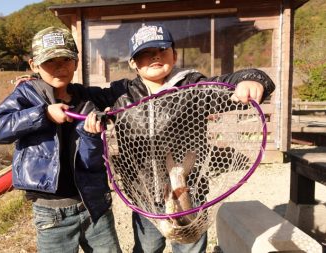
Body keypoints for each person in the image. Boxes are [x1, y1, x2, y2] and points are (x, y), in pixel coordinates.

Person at [74, 23, 276, 253]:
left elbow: (233, 81)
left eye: (162, 50)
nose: (155, 57)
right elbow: (75, 94)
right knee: (147, 248)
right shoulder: (120, 94)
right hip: (146, 200)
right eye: (145, 53)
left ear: (174, 54)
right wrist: (35, 83)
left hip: (189, 196)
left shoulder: (193, 87)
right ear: (133, 62)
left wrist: (252, 80)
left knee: (189, 248)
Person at [0, 27, 121, 253]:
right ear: (33, 65)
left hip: (94, 204)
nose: (60, 67)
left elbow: (122, 95)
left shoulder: (88, 96)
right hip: (50, 212)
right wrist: (43, 114)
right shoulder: (26, 95)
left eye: (66, 59)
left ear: (77, 62)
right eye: (50, 61)